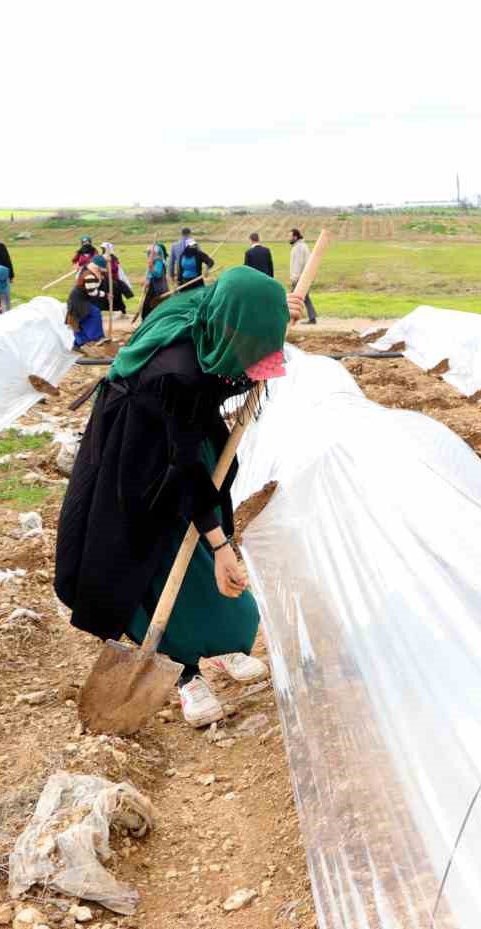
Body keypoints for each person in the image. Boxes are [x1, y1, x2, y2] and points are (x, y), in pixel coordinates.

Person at [55, 267, 306, 726]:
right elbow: (185, 471)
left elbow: (231, 365)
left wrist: (273, 318)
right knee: (156, 551)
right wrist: (220, 545)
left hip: (184, 431)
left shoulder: (209, 312)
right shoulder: (176, 372)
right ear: (229, 332)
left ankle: (220, 648)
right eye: (251, 347)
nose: (255, 360)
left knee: (209, 533)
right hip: (138, 457)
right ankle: (186, 674)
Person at [288, 228, 317, 324]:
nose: (289, 238)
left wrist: (294, 278)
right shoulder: (301, 246)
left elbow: (298, 263)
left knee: (291, 299)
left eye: (290, 236)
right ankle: (312, 317)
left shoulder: (298, 248)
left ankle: (288, 318)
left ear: (295, 237)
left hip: (299, 278)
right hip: (303, 277)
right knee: (305, 298)